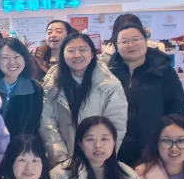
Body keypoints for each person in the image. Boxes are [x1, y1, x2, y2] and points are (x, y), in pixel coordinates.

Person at [40, 32, 128, 166]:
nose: (77, 55)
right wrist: (61, 160)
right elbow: (47, 124)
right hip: (62, 161)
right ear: (62, 54)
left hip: (99, 158)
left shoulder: (110, 84)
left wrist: (102, 158)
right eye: (71, 51)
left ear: (92, 54)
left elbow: (117, 125)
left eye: (83, 50)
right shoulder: (51, 84)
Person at [107, 21, 184, 166]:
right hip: (116, 146)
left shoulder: (163, 71)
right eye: (124, 41)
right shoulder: (108, 73)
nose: (130, 45)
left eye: (135, 39)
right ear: (117, 46)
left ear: (145, 41)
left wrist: (173, 138)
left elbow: (177, 106)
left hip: (154, 144)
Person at [0, 38, 43, 138]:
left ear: (25, 59)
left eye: (17, 57)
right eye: (5, 58)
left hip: (21, 146)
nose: (12, 62)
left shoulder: (35, 88)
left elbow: (35, 126)